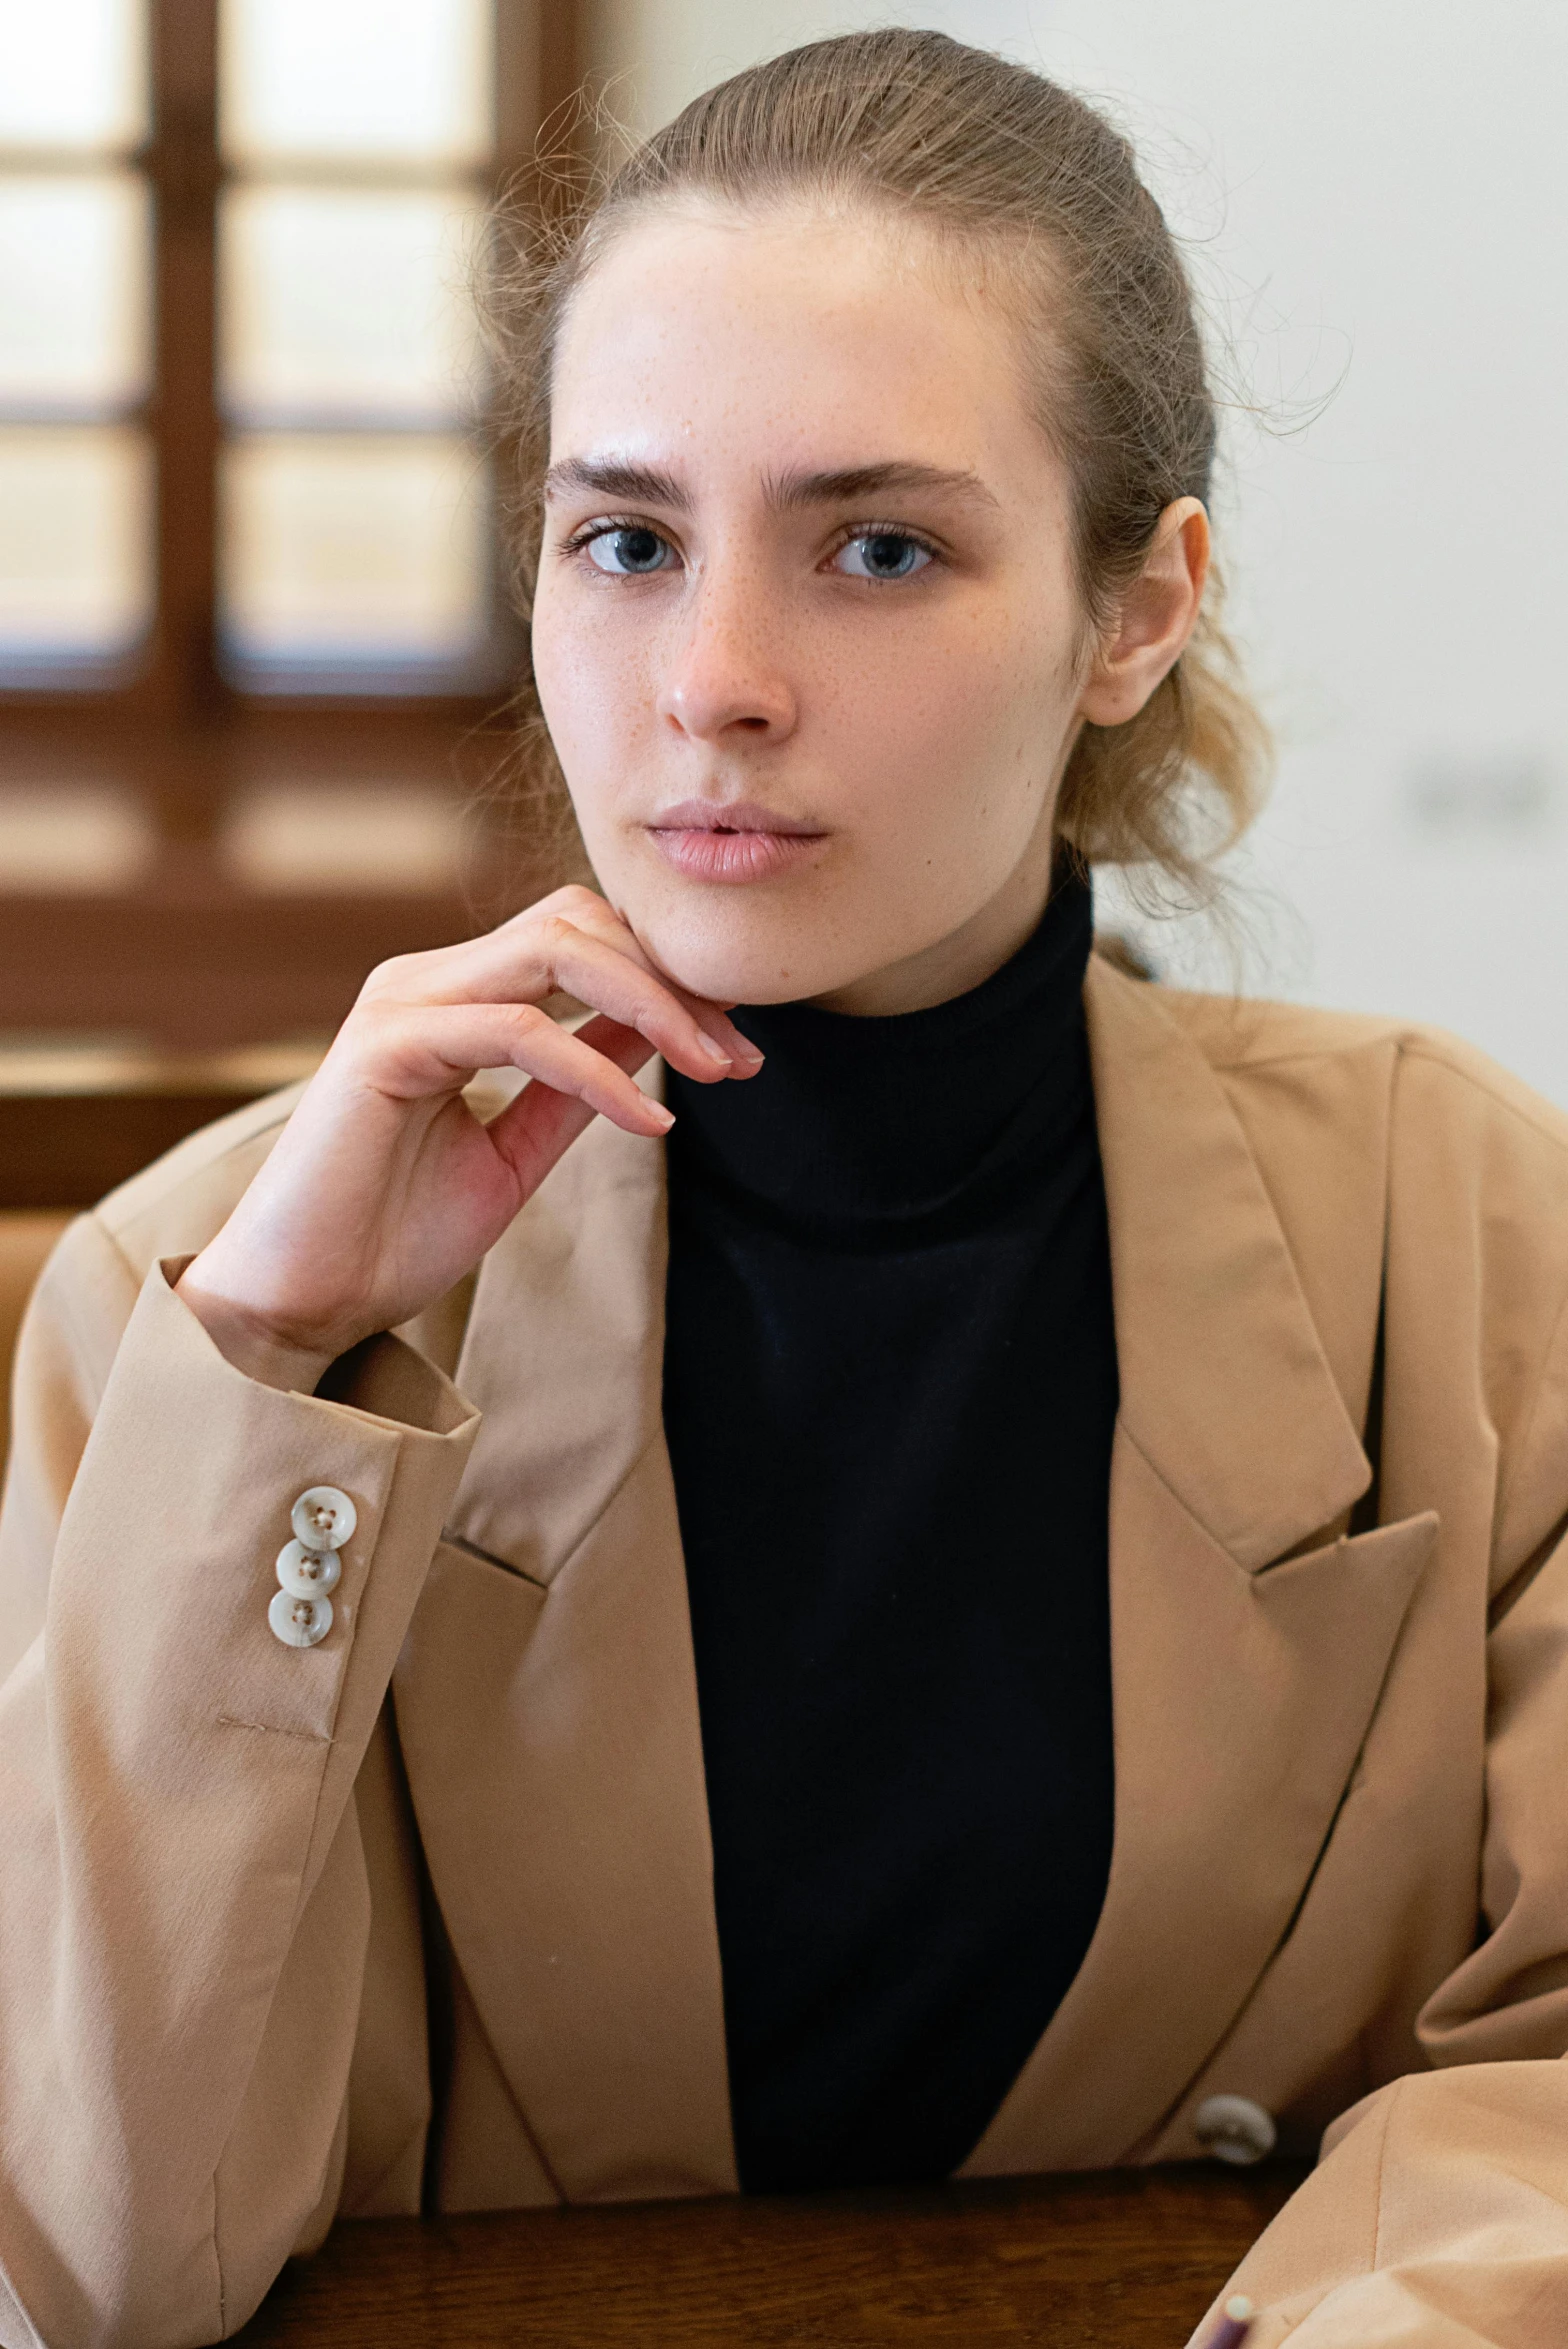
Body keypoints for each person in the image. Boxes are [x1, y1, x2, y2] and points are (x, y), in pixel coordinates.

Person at [1, 29, 1566, 2348]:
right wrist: (260, 1374)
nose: (711, 680)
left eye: (880, 547)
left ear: (1136, 611)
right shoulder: (189, 1293)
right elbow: (99, 2263)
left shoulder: (1465, 1226)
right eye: (623, 538)